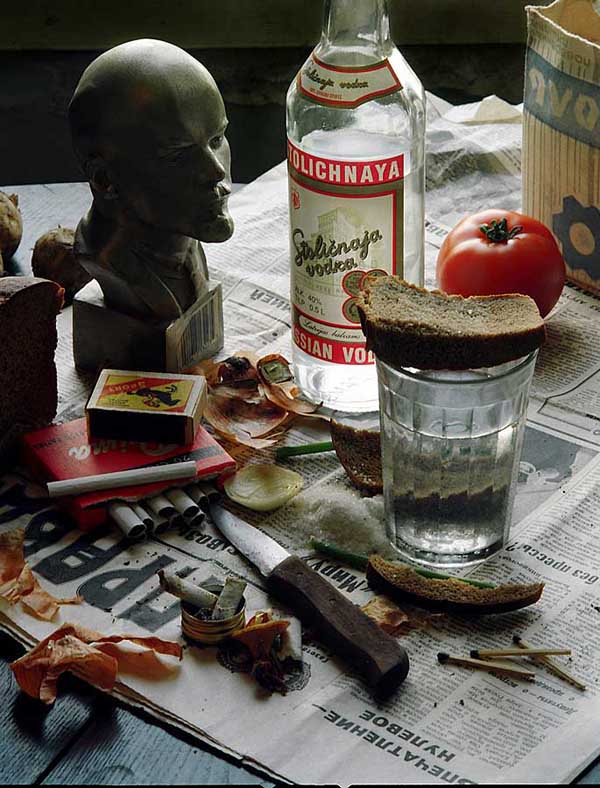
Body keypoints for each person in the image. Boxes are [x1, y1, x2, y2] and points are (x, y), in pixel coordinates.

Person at [68, 39, 233, 323]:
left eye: (216, 139)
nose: (216, 171)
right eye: (179, 155)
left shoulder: (184, 241)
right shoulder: (106, 259)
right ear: (105, 179)